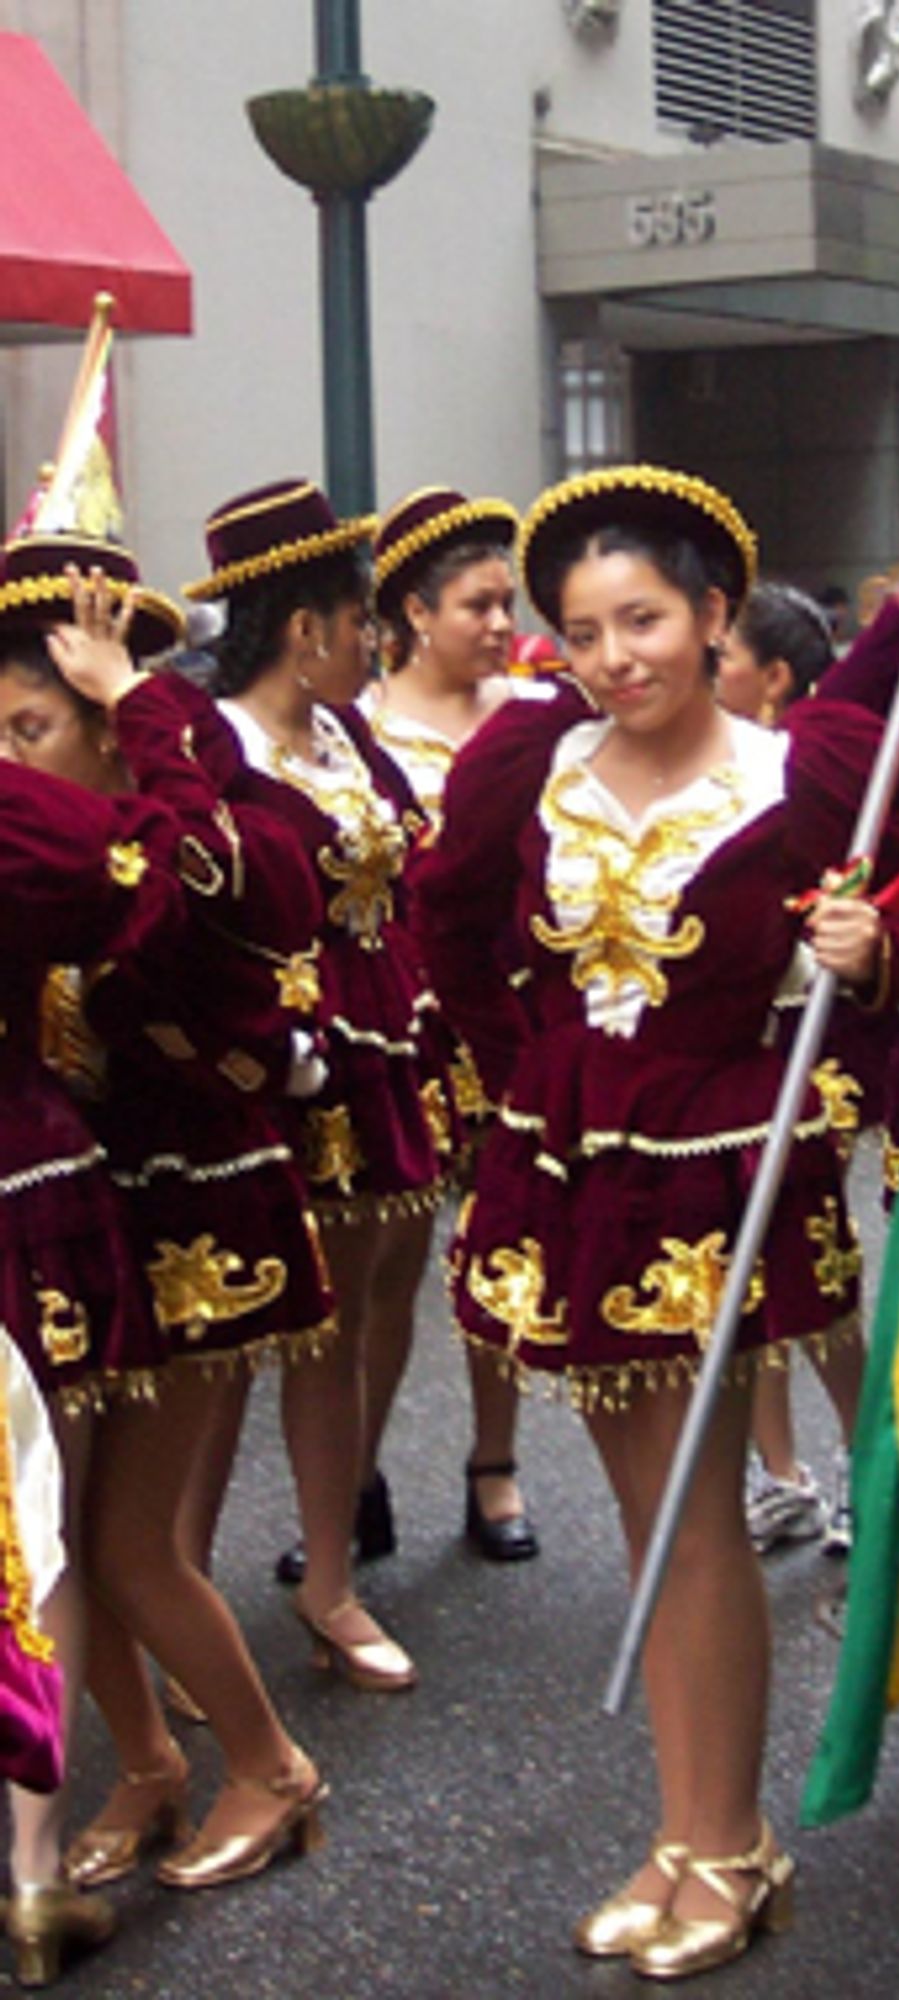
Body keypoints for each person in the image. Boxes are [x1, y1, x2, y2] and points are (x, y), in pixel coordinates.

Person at [415, 465, 890, 1979]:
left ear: (715, 617)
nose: (617, 658)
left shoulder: (804, 778)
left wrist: (861, 959)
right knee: (652, 1517)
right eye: (582, 631)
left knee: (691, 1519)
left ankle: (729, 1840)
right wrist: (525, 1081)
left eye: (645, 620)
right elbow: (454, 932)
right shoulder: (527, 772)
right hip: (575, 1172)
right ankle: (694, 1835)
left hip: (715, 1170)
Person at [0, 541, 326, 1981]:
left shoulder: (211, 836)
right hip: (94, 1205)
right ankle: (140, 1765)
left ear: (111, 717)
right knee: (64, 1524)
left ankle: (269, 1768)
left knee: (130, 1541)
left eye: (31, 725)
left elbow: (224, 920)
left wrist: (143, 707)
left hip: (197, 1211)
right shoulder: (47, 855)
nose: (8, 758)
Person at [184, 479, 446, 1691]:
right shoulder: (212, 747)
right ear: (304, 629)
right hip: (276, 1061)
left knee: (346, 1321)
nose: (373, 646)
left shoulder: (349, 736)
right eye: (360, 623)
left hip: (381, 1041)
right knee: (233, 1331)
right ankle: (171, 1587)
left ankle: (330, 1581)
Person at [714, 575, 899, 1557]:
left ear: (773, 679)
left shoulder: (824, 745)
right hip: (721, 1036)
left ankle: (863, 1461)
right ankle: (778, 1471)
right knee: (739, 1261)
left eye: (720, 657)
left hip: (822, 1029)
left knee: (813, 1253)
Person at [367, 486, 554, 1560]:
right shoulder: (362, 728)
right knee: (379, 1273)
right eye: (475, 605)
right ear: (412, 614)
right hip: (393, 1028)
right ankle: (351, 1470)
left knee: (497, 1248)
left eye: (503, 602)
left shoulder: (536, 719)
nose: (497, 624)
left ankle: (495, 1462)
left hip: (501, 1018)